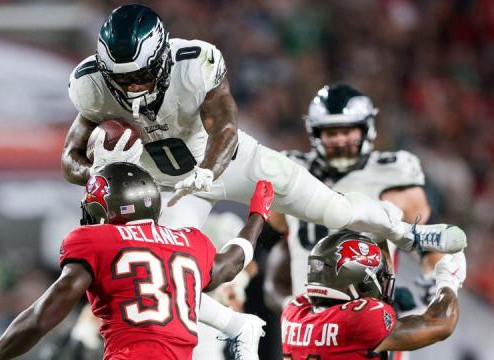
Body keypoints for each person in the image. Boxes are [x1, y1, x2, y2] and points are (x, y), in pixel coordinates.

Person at [60, 4, 466, 358]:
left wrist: (209, 172)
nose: (134, 88)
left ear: (163, 58)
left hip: (233, 162)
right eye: (123, 79)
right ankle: (237, 328)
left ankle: (408, 232)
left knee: (337, 209)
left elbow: (226, 130)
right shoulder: (91, 86)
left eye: (143, 76)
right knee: (171, 279)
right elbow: (70, 159)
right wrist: (97, 170)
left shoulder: (196, 63)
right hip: (173, 186)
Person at [0, 162, 275, 360]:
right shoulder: (190, 241)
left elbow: (43, 316)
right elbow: (230, 264)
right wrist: (258, 215)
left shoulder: (94, 241)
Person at [263, 83, 442, 314]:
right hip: (308, 324)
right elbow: (276, 240)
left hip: (369, 323)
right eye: (331, 132)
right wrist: (283, 296)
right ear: (316, 134)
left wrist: (437, 280)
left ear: (366, 130)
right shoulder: (294, 173)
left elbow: (433, 244)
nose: (339, 140)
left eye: (347, 131)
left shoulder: (392, 177)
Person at [280, 230, 465, 359]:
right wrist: (449, 279)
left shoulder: (293, 312)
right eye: (378, 277)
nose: (383, 282)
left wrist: (377, 233)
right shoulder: (360, 319)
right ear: (359, 282)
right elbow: (441, 324)